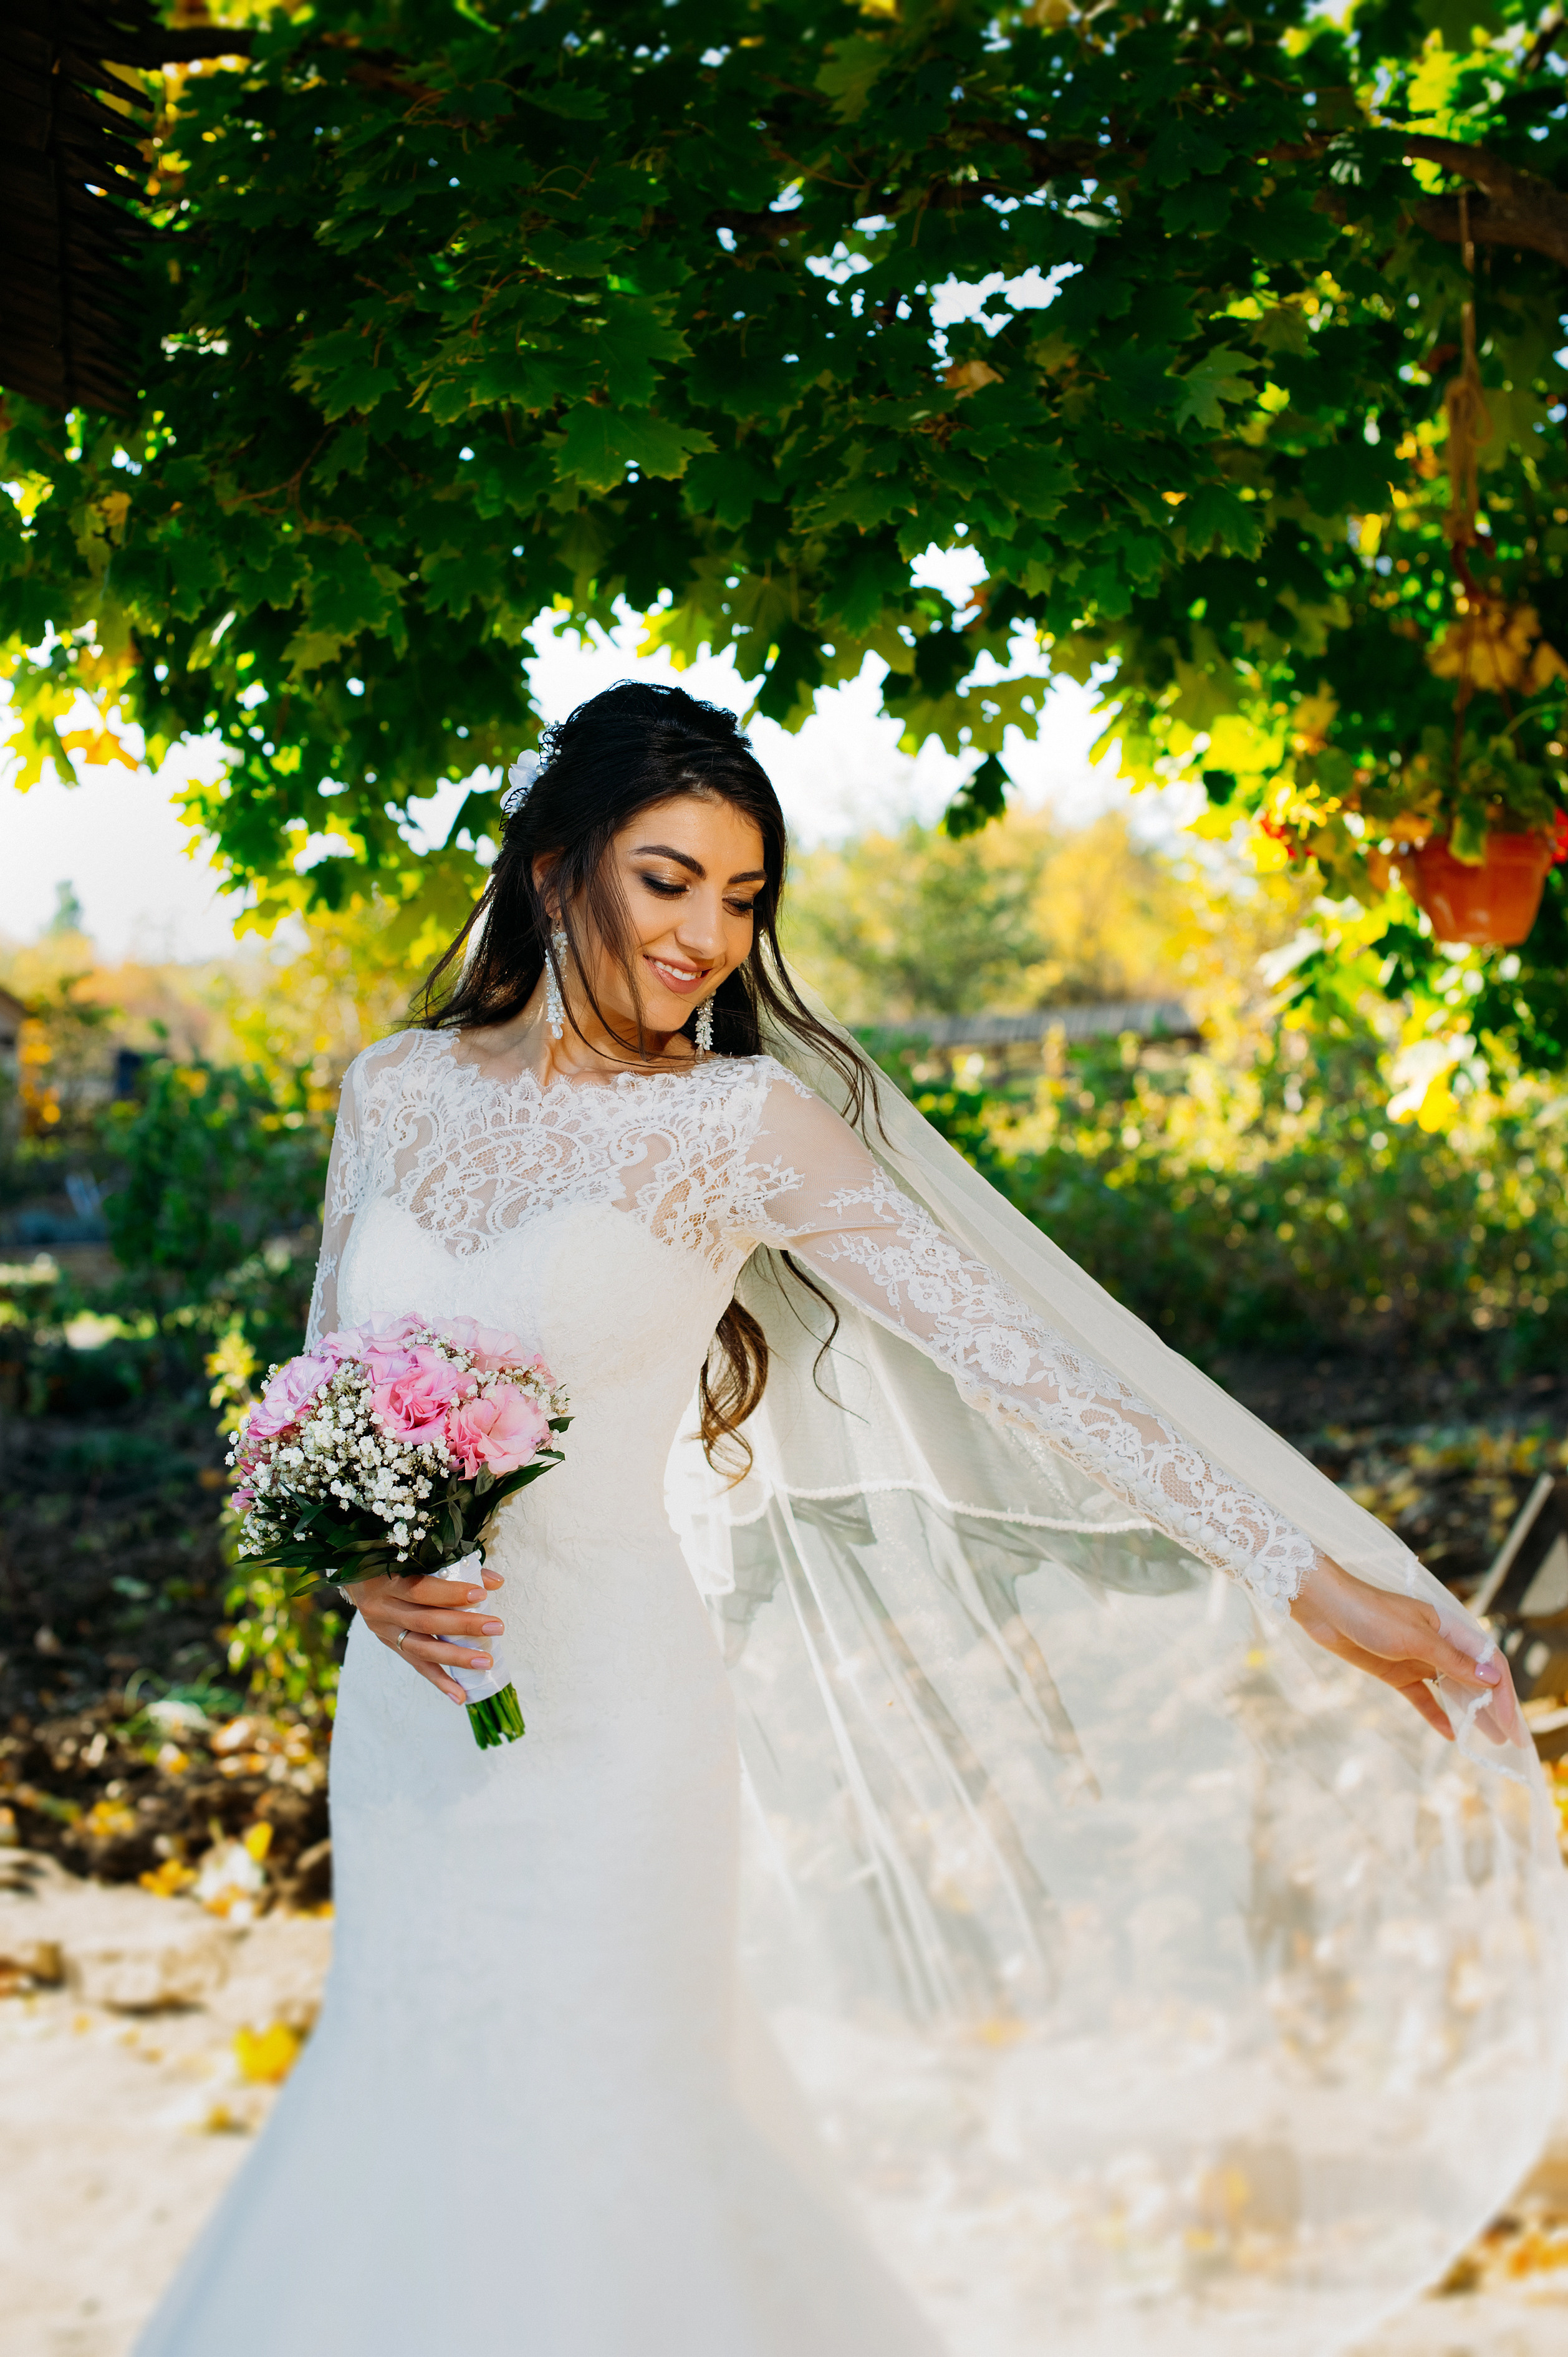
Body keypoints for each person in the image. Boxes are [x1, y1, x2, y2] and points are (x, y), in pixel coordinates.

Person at [138, 682, 1564, 2357]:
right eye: (668, 879)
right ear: (549, 866)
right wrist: (360, 1568)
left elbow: (1038, 1364)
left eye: (742, 898)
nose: (707, 936)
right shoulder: (392, 1087)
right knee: (411, 2093)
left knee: (602, 2111)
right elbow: (326, 1383)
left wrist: (1313, 1577)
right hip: (406, 1732)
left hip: (610, 1728)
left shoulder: (737, 1123)